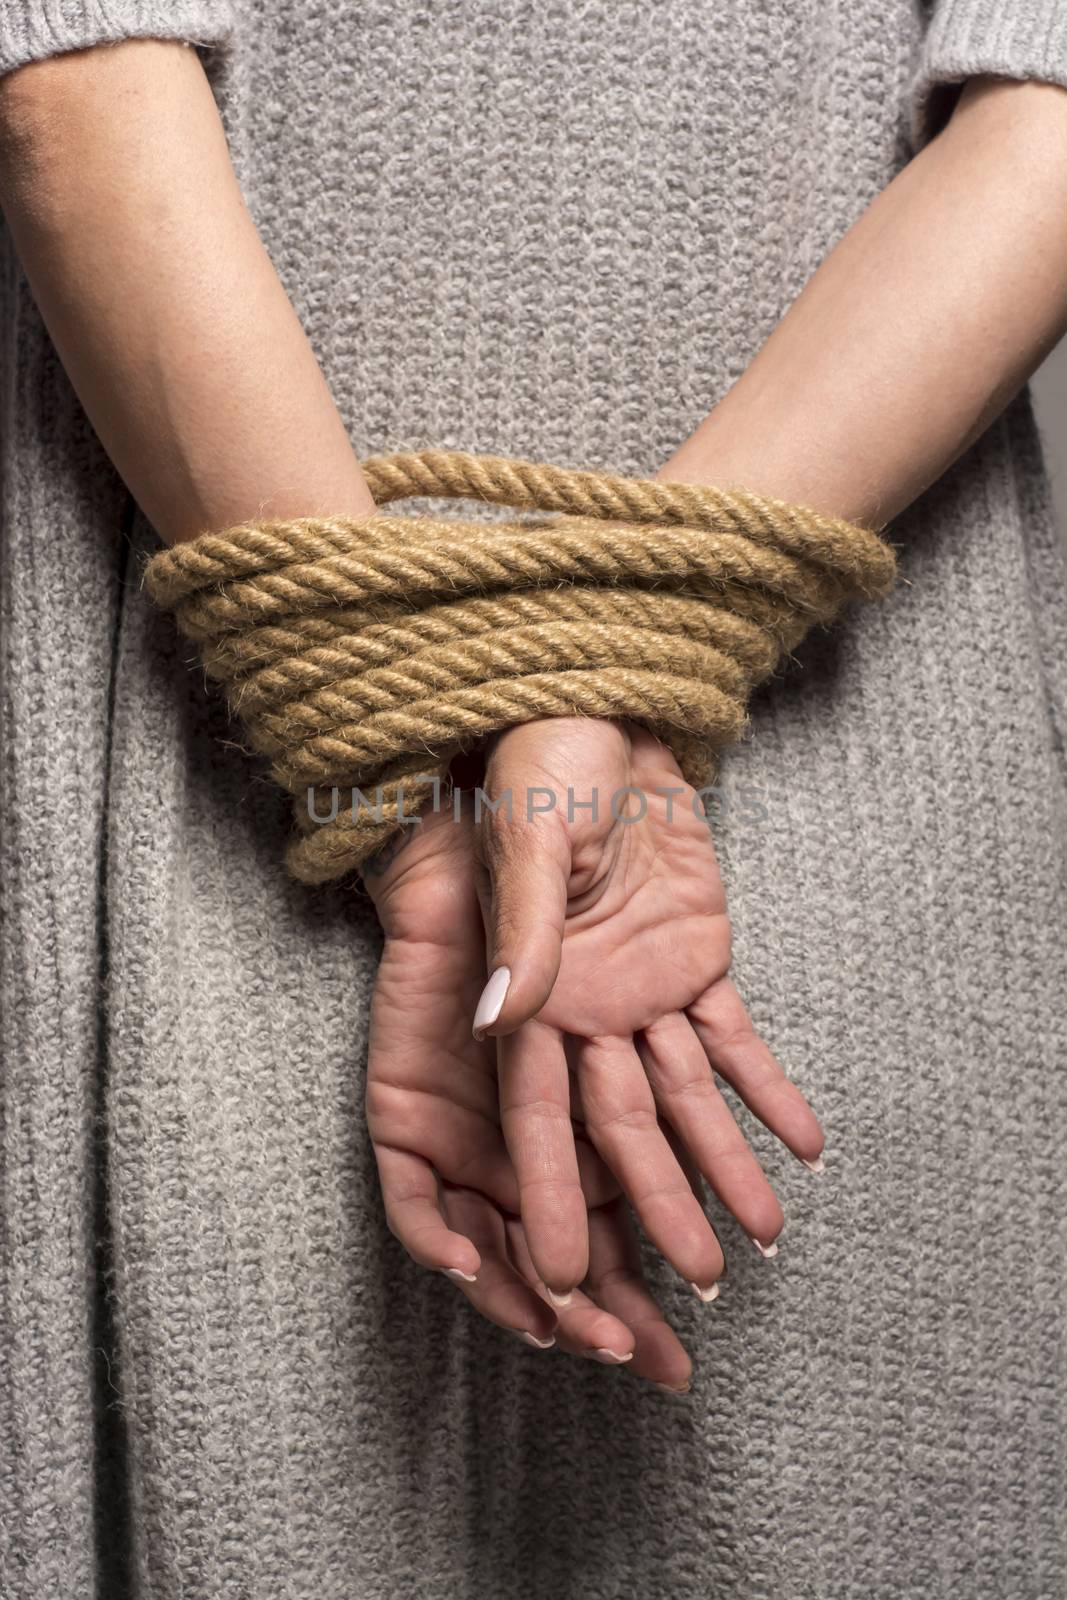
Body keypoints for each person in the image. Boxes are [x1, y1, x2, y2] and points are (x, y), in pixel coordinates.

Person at [1, 5, 1065, 1597]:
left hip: (233, 664)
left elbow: (71, 77)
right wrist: (605, 671)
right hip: (817, 666)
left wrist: (401, 734)